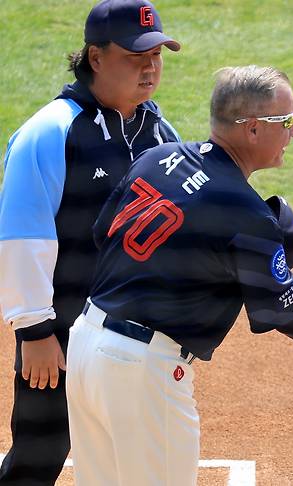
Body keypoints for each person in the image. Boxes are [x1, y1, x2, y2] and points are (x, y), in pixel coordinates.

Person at [65, 65, 293, 486]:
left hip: (85, 347)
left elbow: (104, 233)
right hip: (142, 373)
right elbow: (284, 313)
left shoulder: (157, 158)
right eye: (287, 122)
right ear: (251, 129)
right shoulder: (245, 212)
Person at [0, 1, 181, 483]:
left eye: (157, 55)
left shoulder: (160, 132)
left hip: (137, 331)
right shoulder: (51, 132)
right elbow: (22, 237)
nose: (150, 67)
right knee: (41, 454)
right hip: (59, 330)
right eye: (135, 55)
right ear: (95, 58)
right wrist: (33, 331)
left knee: (132, 450)